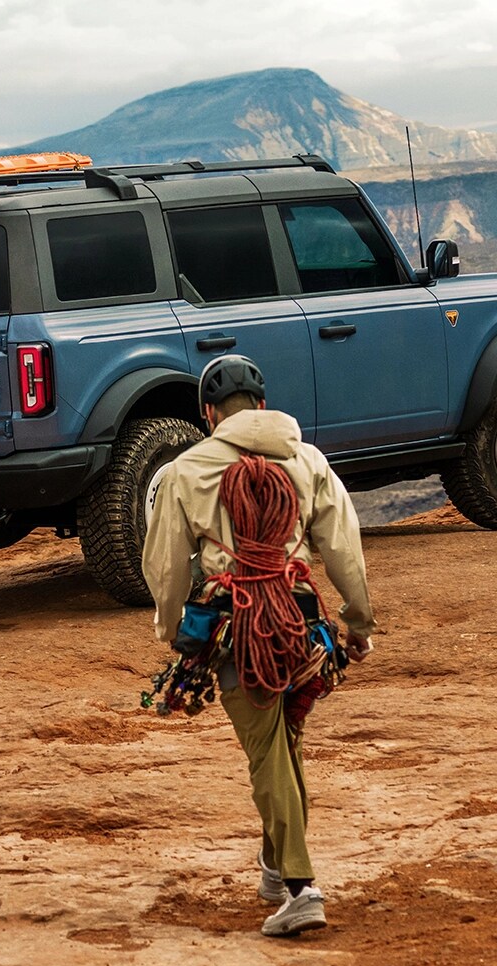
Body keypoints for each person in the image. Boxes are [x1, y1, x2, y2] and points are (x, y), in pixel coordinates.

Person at [142, 355, 376, 936]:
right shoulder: (309, 460)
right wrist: (359, 625)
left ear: (209, 413)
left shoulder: (185, 471)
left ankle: (302, 888)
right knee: (285, 743)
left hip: (236, 628)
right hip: (301, 626)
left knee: (268, 752)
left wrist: (172, 631)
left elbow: (166, 565)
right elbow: (344, 548)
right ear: (263, 406)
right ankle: (275, 865)